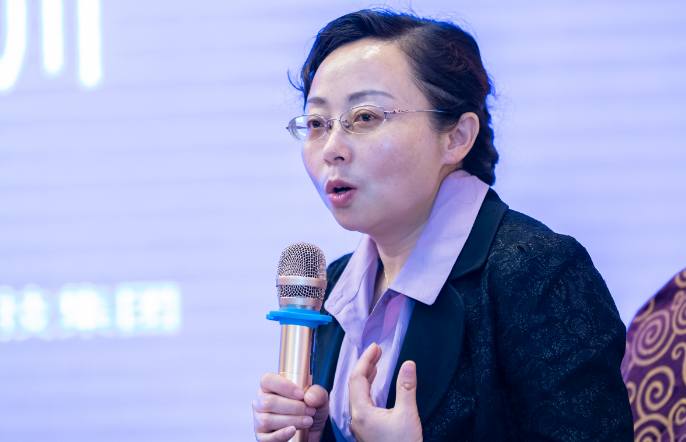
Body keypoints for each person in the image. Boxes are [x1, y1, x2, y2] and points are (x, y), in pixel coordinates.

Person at [252, 9, 633, 442]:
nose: (331, 148)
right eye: (317, 124)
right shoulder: (332, 285)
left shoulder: (538, 272)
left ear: (456, 137)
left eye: (365, 117)